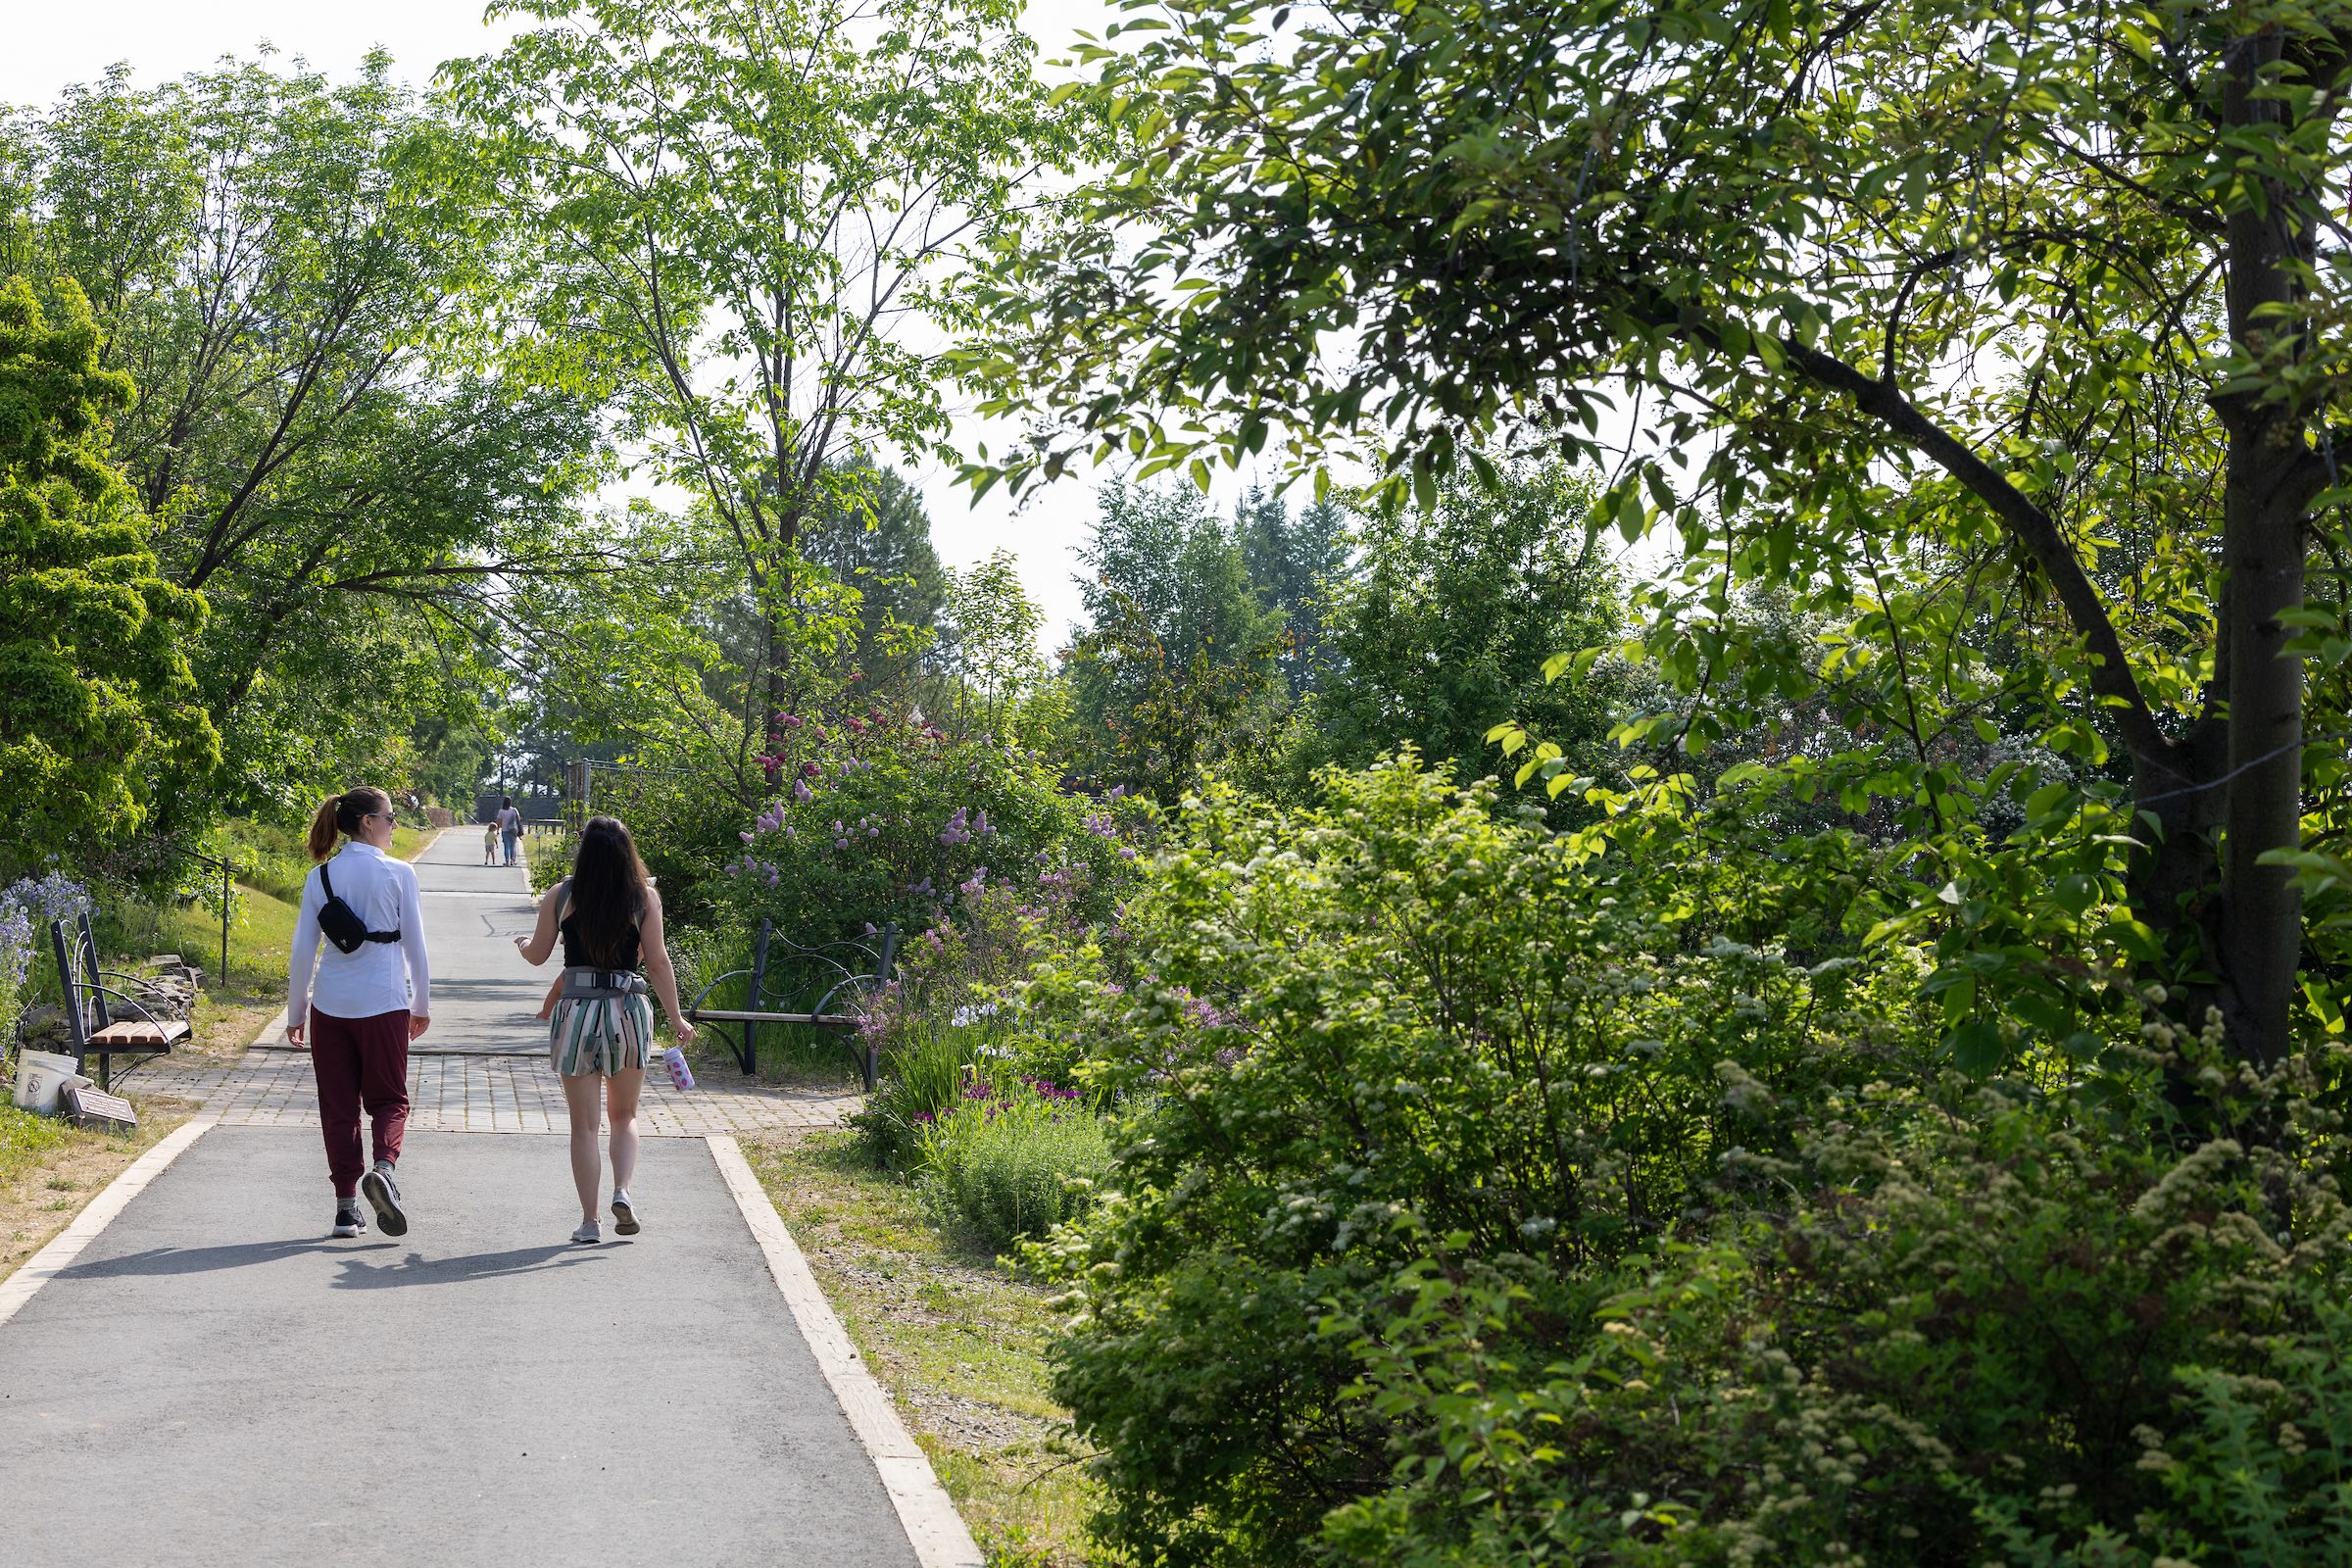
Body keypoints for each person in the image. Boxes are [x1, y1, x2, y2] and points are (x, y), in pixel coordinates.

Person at [514, 815, 695, 1244]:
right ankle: (623, 1192)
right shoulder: (643, 897)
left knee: (583, 1126)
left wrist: (521, 944)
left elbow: (539, 956)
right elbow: (657, 960)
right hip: (628, 1011)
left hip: (576, 1011)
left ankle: (590, 1221)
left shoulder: (561, 896)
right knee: (625, 1115)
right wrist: (676, 1017)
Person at [288, 786, 431, 1239]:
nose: (394, 826)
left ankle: (346, 1208)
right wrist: (421, 1004)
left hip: (330, 1005)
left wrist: (296, 1013)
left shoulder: (320, 878)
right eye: (390, 818)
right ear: (368, 822)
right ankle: (384, 1170)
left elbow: (301, 952)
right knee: (389, 1100)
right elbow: (416, 948)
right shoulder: (399, 874)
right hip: (384, 1002)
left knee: (338, 1106)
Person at [496, 796, 523, 867]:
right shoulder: (514, 810)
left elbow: (498, 821)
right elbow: (519, 819)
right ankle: (512, 861)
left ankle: (507, 861)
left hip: (505, 830)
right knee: (512, 845)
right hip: (513, 830)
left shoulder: (501, 811)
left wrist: (498, 830)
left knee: (506, 846)